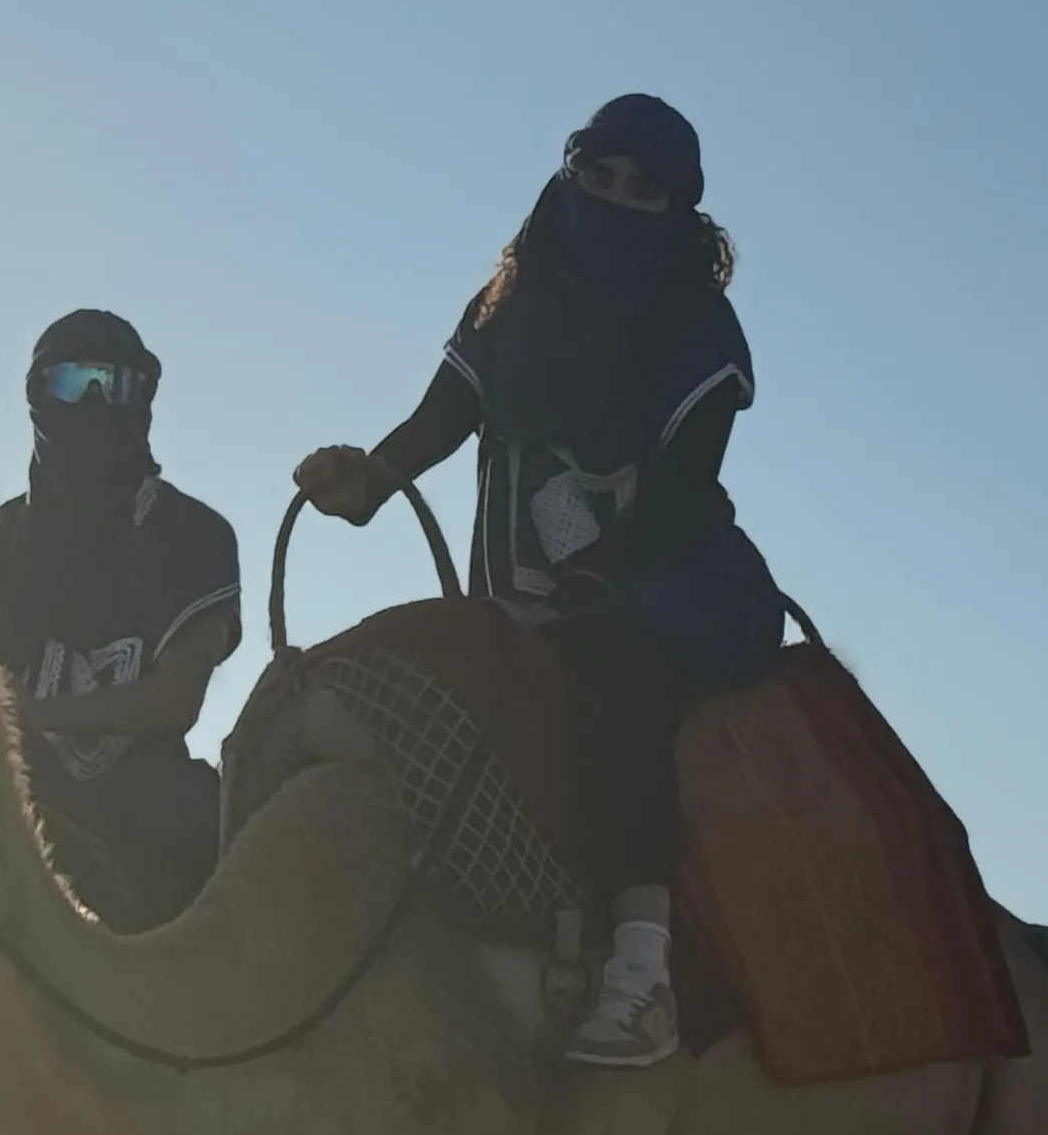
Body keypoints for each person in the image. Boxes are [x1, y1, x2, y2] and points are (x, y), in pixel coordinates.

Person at [295, 94, 787, 1066]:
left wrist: (587, 586)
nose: (610, 198)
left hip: (672, 592)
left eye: (641, 189)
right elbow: (442, 418)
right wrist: (372, 480)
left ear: (678, 212)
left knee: (612, 683)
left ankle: (642, 979)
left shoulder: (702, 333)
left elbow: (682, 498)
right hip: (526, 601)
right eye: (594, 175)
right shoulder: (507, 307)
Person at [0, 309, 241, 929]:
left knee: (248, 886)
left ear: (143, 397)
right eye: (73, 381)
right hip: (10, 799)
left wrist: (32, 715)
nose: (94, 402)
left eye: (114, 383)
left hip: (153, 804)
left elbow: (177, 699)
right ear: (38, 395)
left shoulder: (193, 535)